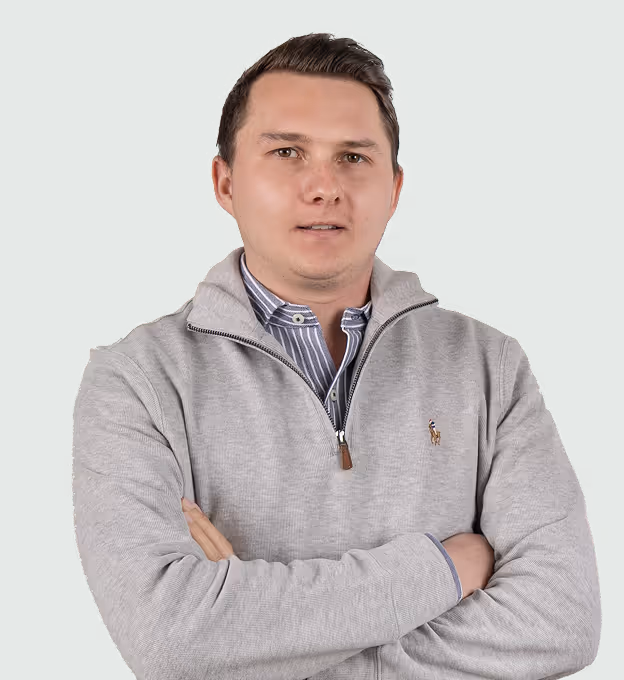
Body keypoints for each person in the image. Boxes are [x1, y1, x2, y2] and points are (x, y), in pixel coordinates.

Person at [72, 31, 601, 680]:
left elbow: (563, 622)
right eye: (287, 152)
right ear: (225, 183)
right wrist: (445, 568)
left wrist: (253, 643)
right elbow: (169, 641)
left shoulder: (490, 365)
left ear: (395, 188)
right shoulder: (135, 381)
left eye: (353, 157)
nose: (323, 186)